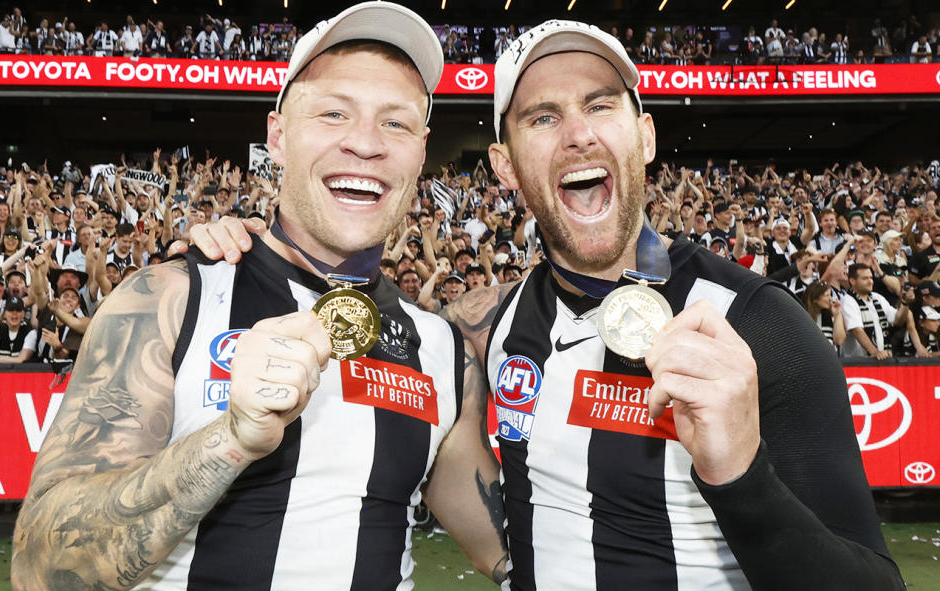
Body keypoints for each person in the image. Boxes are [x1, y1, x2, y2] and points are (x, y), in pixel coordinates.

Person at [190, 17, 904, 591]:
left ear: (644, 135)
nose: (579, 134)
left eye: (601, 106)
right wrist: (243, 243)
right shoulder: (486, 326)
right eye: (542, 118)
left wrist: (741, 477)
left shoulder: (755, 321)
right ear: (505, 167)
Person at [12, 3, 507, 589]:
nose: (366, 144)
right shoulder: (169, 299)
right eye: (333, 113)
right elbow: (42, 566)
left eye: (396, 123)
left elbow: (509, 551)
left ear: (422, 152)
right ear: (277, 135)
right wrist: (231, 438)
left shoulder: (439, 346)